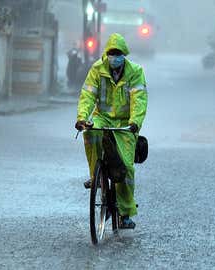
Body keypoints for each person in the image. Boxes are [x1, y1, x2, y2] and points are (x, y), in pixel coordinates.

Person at [75, 33, 148, 229]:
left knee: (125, 167)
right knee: (90, 133)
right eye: (111, 53)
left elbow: (139, 100)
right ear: (107, 54)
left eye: (118, 53)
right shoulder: (97, 69)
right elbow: (87, 95)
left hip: (125, 124)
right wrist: (82, 118)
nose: (114, 57)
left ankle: (125, 214)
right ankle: (96, 177)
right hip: (103, 118)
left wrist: (135, 122)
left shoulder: (135, 72)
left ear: (124, 55)